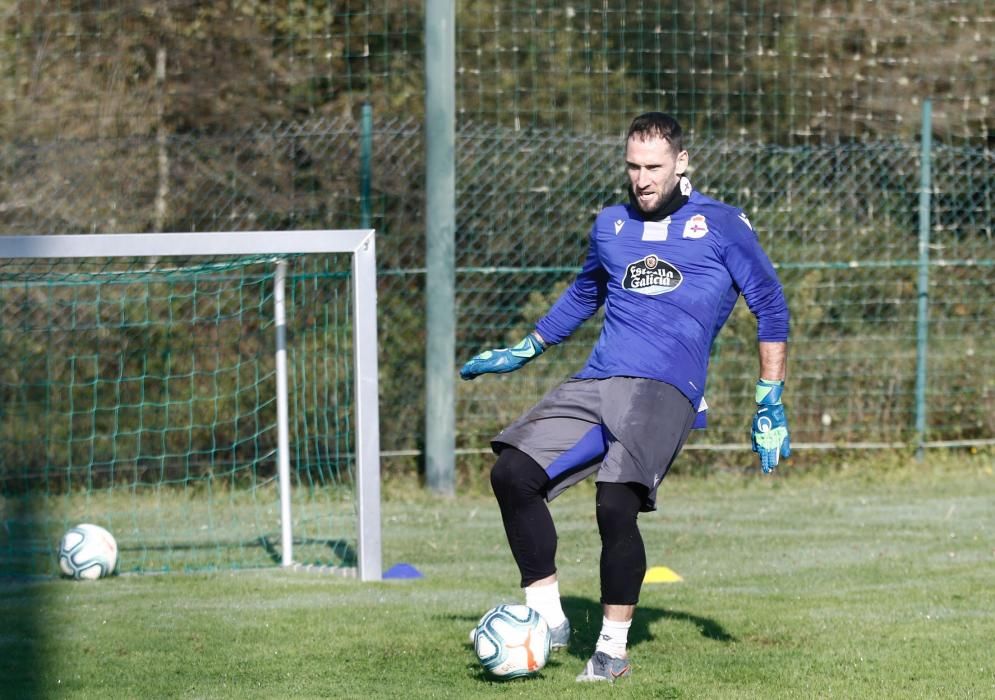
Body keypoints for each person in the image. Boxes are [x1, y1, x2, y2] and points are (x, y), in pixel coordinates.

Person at [460, 112, 790, 683]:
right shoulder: (611, 224)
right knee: (511, 474)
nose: (641, 179)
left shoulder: (722, 225)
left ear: (681, 164)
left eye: (654, 167)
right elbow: (586, 291)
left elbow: (771, 305)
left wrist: (769, 400)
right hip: (597, 380)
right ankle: (548, 617)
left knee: (615, 505)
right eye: (633, 167)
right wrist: (526, 346)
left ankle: (611, 651)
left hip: (667, 389)